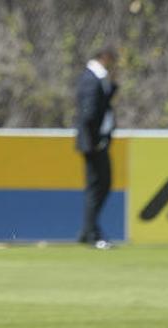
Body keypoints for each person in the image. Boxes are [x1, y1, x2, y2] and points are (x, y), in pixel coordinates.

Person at [75, 45, 119, 249]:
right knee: (97, 187)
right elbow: (89, 113)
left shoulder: (97, 78)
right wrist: (95, 140)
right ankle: (91, 233)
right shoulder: (91, 78)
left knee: (101, 185)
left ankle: (88, 230)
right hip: (94, 143)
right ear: (104, 57)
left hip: (96, 141)